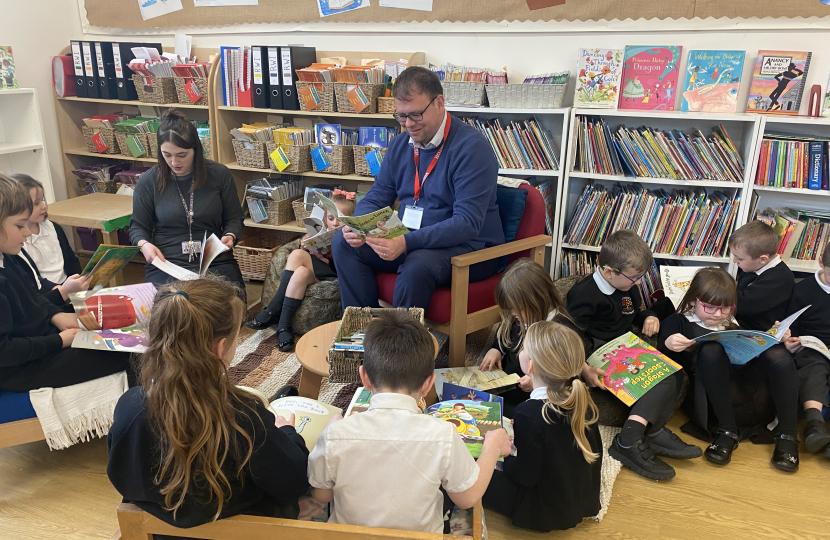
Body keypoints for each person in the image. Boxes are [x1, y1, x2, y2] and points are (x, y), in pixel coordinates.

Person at [107, 277, 310, 531]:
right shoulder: (245, 415)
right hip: (241, 533)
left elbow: (122, 476)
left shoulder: (130, 407)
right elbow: (295, 483)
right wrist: (288, 433)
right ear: (221, 346)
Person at [307, 310, 512, 533]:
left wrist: (334, 427)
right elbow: (467, 498)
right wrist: (491, 447)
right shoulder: (443, 435)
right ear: (428, 385)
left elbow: (322, 494)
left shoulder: (335, 435)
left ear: (364, 377)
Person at [331, 67, 504, 311]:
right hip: (410, 238)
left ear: (440, 103)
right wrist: (358, 224)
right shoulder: (401, 143)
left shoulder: (472, 148)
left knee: (417, 264)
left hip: (468, 247)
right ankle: (364, 332)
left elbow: (467, 223)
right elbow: (379, 195)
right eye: (401, 116)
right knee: (343, 243)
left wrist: (406, 242)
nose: (408, 124)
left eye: (416, 115)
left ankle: (401, 345)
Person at [567, 229, 697, 481]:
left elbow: (632, 312)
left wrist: (648, 315)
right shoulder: (584, 294)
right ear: (608, 271)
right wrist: (583, 368)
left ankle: (652, 430)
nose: (638, 283)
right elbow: (569, 335)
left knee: (674, 372)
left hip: (624, 346)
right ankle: (628, 440)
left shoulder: (627, 287)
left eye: (641, 277)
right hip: (595, 352)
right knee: (660, 381)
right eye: (634, 277)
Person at [657, 267, 800, 472]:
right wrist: (669, 344)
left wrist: (778, 339)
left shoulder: (732, 322)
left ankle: (788, 436)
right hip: (711, 402)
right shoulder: (678, 322)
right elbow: (663, 356)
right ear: (692, 300)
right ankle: (727, 432)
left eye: (726, 308)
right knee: (711, 350)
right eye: (710, 307)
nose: (719, 314)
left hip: (748, 395)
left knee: (777, 355)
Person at [0, 174, 131, 392]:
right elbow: (6, 352)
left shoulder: (11, 256)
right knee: (126, 353)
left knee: (121, 325)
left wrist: (55, 315)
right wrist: (60, 341)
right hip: (22, 367)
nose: (27, 232)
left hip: (44, 337)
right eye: (20, 226)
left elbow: (34, 299)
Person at [483, 321, 602, 532]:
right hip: (579, 498)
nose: (520, 351)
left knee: (473, 475)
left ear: (531, 366)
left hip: (543, 510)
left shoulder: (529, 416)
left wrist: (499, 456)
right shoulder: (584, 402)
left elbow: (524, 476)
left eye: (523, 349)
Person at [130, 108, 246, 305]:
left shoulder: (219, 174)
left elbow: (235, 218)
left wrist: (230, 235)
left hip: (213, 260)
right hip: (167, 263)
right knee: (173, 309)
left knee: (228, 306)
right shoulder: (149, 180)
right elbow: (137, 227)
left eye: (182, 155)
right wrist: (144, 245)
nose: (174, 162)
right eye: (167, 155)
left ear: (196, 150)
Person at [245, 191, 356, 352]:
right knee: (300, 272)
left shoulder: (352, 239)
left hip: (333, 277)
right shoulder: (323, 232)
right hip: (317, 273)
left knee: (297, 255)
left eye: (341, 219)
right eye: (331, 218)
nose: (335, 223)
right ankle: (284, 327)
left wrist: (325, 259)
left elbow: (349, 268)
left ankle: (272, 310)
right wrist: (309, 248)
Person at [479, 258, 589, 411]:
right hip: (504, 382)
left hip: (528, 398)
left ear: (536, 302)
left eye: (516, 309)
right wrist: (496, 348)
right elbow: (507, 332)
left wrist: (536, 383)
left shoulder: (560, 332)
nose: (512, 313)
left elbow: (563, 378)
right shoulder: (524, 316)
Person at [10, 174, 89, 308]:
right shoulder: (16, 243)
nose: (43, 206)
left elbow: (71, 260)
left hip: (69, 291)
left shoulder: (54, 228)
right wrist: (61, 290)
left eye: (42, 201)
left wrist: (78, 284)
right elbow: (34, 282)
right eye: (36, 203)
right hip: (47, 298)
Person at [784, 244, 830, 460]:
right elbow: (792, 328)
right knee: (814, 366)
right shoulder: (803, 290)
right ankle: (814, 424)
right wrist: (791, 341)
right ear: (821, 263)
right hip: (812, 347)